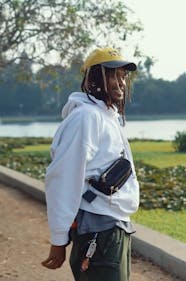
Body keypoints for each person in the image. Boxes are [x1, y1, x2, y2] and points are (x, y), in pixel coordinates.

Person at [41, 47, 140, 281]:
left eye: (123, 76)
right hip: (99, 229)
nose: (121, 82)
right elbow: (63, 179)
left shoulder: (106, 116)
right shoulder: (86, 117)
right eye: (112, 75)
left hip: (114, 226)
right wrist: (58, 239)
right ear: (93, 78)